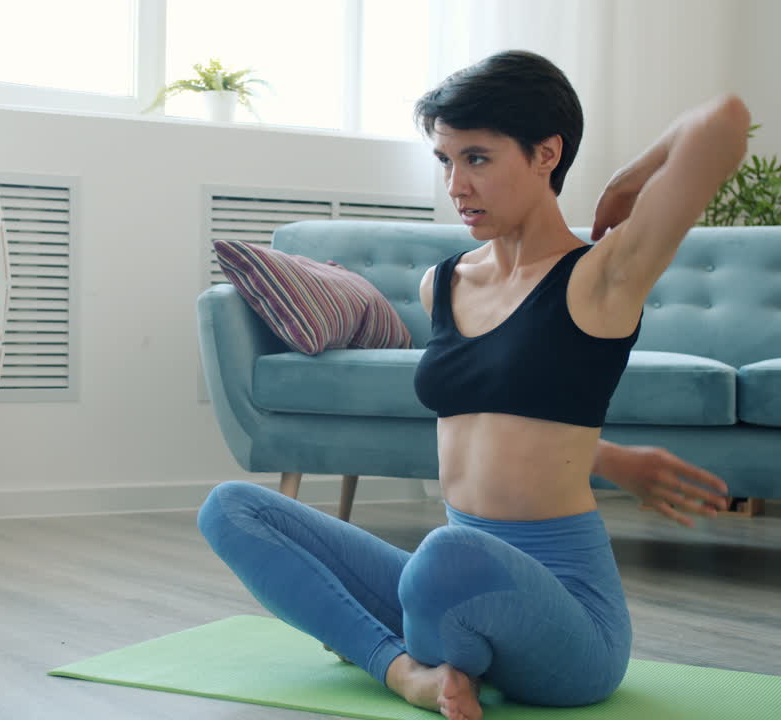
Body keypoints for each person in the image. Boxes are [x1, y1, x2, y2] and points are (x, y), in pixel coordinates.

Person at [197, 50, 749, 720]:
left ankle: (394, 647)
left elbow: (725, 120)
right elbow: (508, 418)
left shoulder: (602, 276)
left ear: (547, 153)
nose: (457, 184)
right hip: (448, 579)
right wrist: (607, 458)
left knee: (442, 556)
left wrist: (631, 179)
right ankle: (405, 671)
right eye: (446, 161)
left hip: (569, 621)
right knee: (232, 509)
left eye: (478, 159)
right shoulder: (445, 283)